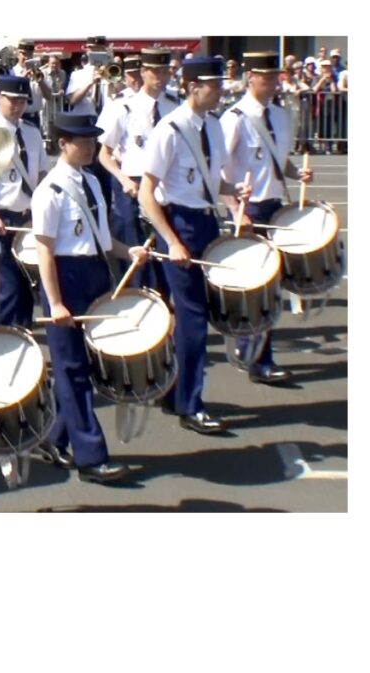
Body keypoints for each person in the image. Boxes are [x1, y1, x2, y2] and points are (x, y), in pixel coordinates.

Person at [33, 113, 151, 483]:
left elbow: (100, 240)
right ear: (63, 143)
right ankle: (91, 456)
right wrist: (54, 302)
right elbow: (44, 252)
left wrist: (126, 251)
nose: (90, 146)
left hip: (96, 274)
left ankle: (53, 436)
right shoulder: (49, 191)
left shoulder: (93, 182)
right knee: (71, 371)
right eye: (82, 141)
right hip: (66, 280)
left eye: (92, 140)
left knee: (89, 366)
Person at [138, 57, 252, 435]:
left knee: (196, 315)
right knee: (193, 318)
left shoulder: (214, 126)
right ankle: (191, 403)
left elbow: (210, 180)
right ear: (191, 86)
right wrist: (171, 240)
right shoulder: (169, 129)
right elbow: (146, 193)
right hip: (180, 225)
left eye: (220, 84)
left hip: (206, 222)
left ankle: (173, 392)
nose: (219, 90)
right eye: (213, 85)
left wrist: (234, 191)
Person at [220, 51, 314, 385]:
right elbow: (218, 170)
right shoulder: (235, 117)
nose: (274, 82)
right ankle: (257, 358)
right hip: (252, 210)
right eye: (268, 77)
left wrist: (296, 173)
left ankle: (256, 352)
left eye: (277, 76)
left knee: (272, 287)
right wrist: (234, 210)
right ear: (251, 78)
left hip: (277, 204)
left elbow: (279, 161)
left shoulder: (280, 114)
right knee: (256, 287)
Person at [97, 48, 179, 295]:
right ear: (144, 72)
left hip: (165, 186)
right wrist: (123, 179)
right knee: (136, 255)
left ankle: (164, 306)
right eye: (156, 71)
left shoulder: (175, 105)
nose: (162, 77)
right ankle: (136, 300)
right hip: (132, 187)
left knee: (165, 254)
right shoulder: (124, 107)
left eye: (166, 71)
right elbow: (104, 154)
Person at [0, 75, 49, 328]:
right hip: (2, 219)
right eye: (11, 100)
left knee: (28, 286)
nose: (17, 106)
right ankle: (5, 337)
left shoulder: (32, 133)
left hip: (30, 218)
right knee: (9, 288)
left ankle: (22, 334)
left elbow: (43, 174)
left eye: (22, 101)